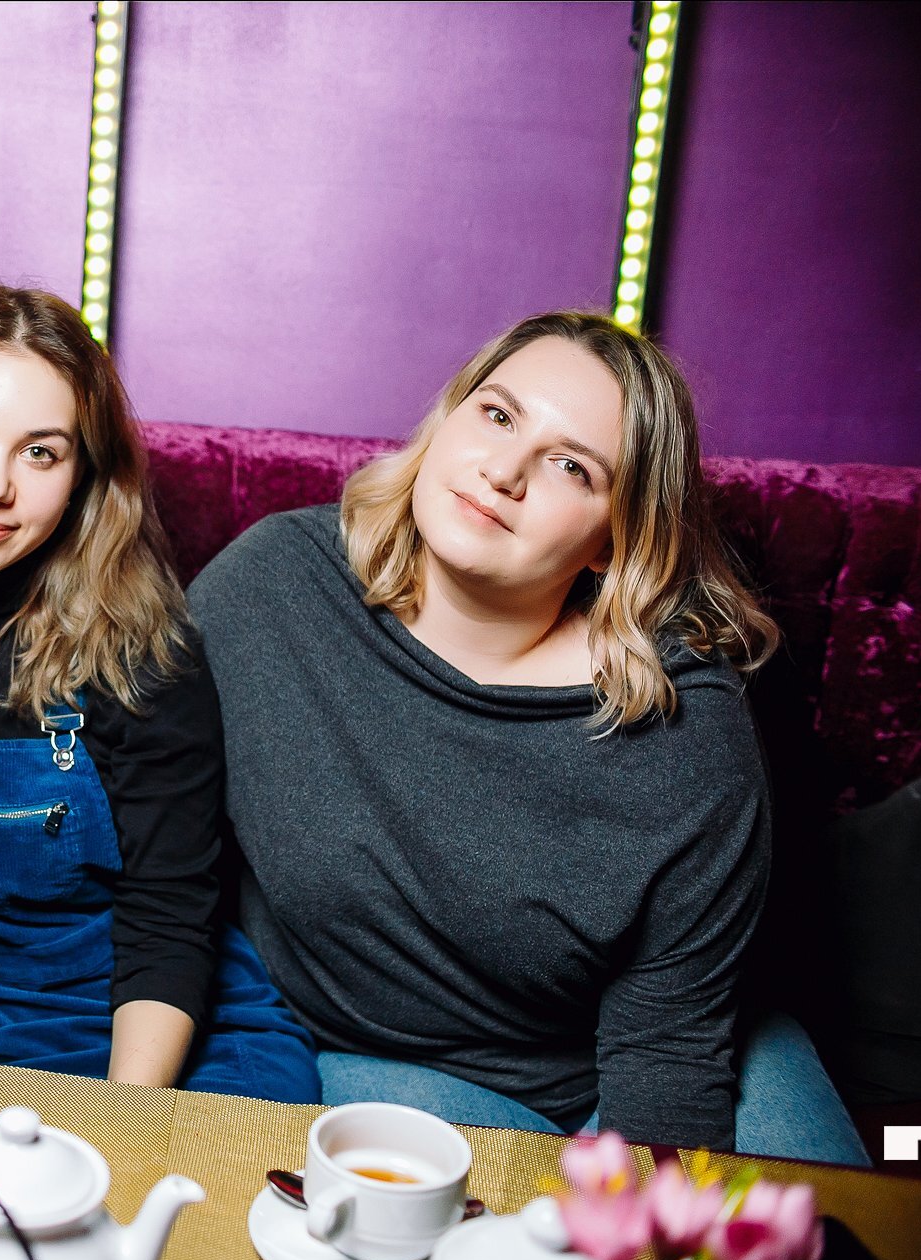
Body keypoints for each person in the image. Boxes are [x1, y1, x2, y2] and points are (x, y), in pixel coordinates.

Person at [189, 311, 868, 1161]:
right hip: (382, 1061)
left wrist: (636, 1213)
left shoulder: (686, 734)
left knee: (815, 1226)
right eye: (498, 414)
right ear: (449, 419)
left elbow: (667, 1050)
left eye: (571, 466)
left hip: (666, 1050)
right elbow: (136, 843)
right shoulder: (269, 590)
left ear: (613, 540)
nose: (504, 471)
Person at [0, 285, 319, 1103]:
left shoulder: (142, 640)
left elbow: (170, 913)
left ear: (82, 473)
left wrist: (119, 1125)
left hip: (160, 1045)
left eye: (40, 454)